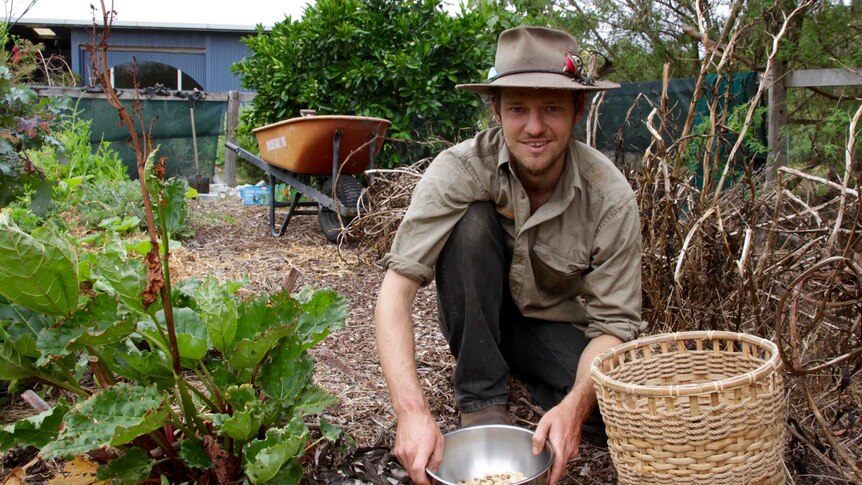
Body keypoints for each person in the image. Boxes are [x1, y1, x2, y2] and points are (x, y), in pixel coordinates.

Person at [374, 26, 643, 485]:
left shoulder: (610, 197)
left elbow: (614, 326)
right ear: (496, 110)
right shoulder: (460, 170)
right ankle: (481, 398)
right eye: (518, 108)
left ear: (578, 109)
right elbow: (393, 297)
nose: (534, 127)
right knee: (472, 222)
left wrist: (575, 406)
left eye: (551, 108)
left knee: (616, 414)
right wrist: (411, 411)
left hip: (550, 326)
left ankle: (532, 379)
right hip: (475, 311)